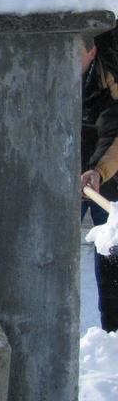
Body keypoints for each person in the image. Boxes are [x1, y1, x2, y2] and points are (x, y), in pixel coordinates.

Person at [80, 30, 118, 332]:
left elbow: (113, 133)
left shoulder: (109, 84)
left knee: (110, 249)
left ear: (91, 52)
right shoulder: (50, 76)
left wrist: (97, 170)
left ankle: (112, 333)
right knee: (48, 249)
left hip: (106, 178)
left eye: (74, 53)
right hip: (62, 178)